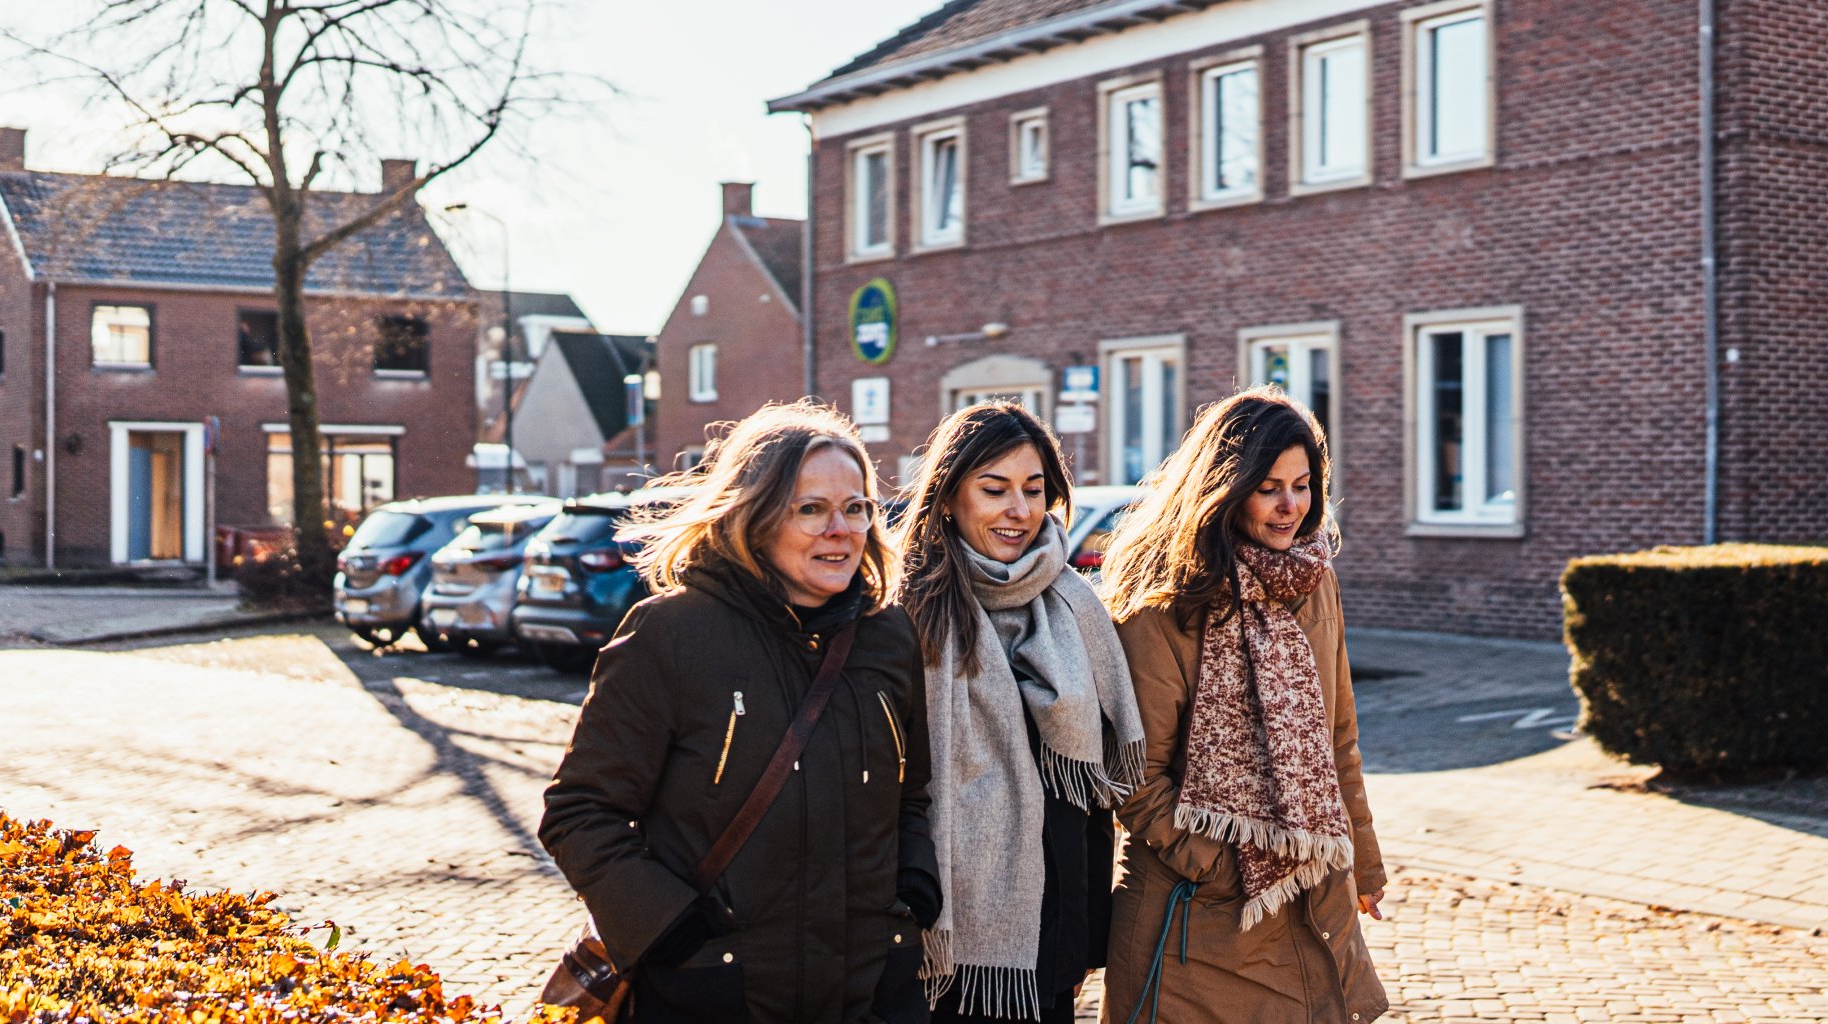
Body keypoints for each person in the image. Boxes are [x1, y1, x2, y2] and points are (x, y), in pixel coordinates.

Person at [538, 402, 937, 1024]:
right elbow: (580, 812)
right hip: (716, 993)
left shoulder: (888, 636)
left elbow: (912, 794)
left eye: (856, 507)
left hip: (868, 991)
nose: (841, 529)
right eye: (810, 509)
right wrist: (665, 926)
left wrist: (913, 888)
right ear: (753, 517)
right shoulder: (671, 634)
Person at [1096, 387, 1388, 1024]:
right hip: (1193, 922)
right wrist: (1222, 866)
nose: (1291, 507)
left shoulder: (1314, 581)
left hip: (1311, 897)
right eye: (1269, 488)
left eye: (1303, 485)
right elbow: (1135, 775)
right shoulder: (1164, 603)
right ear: (1225, 488)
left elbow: (1338, 739)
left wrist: (1362, 861)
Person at [895, 402, 1142, 1024]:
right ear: (949, 496)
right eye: (994, 489)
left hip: (1053, 921)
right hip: (940, 926)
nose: (1019, 511)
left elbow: (1091, 797)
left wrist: (1086, 931)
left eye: (1034, 490)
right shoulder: (906, 611)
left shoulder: (1077, 606)